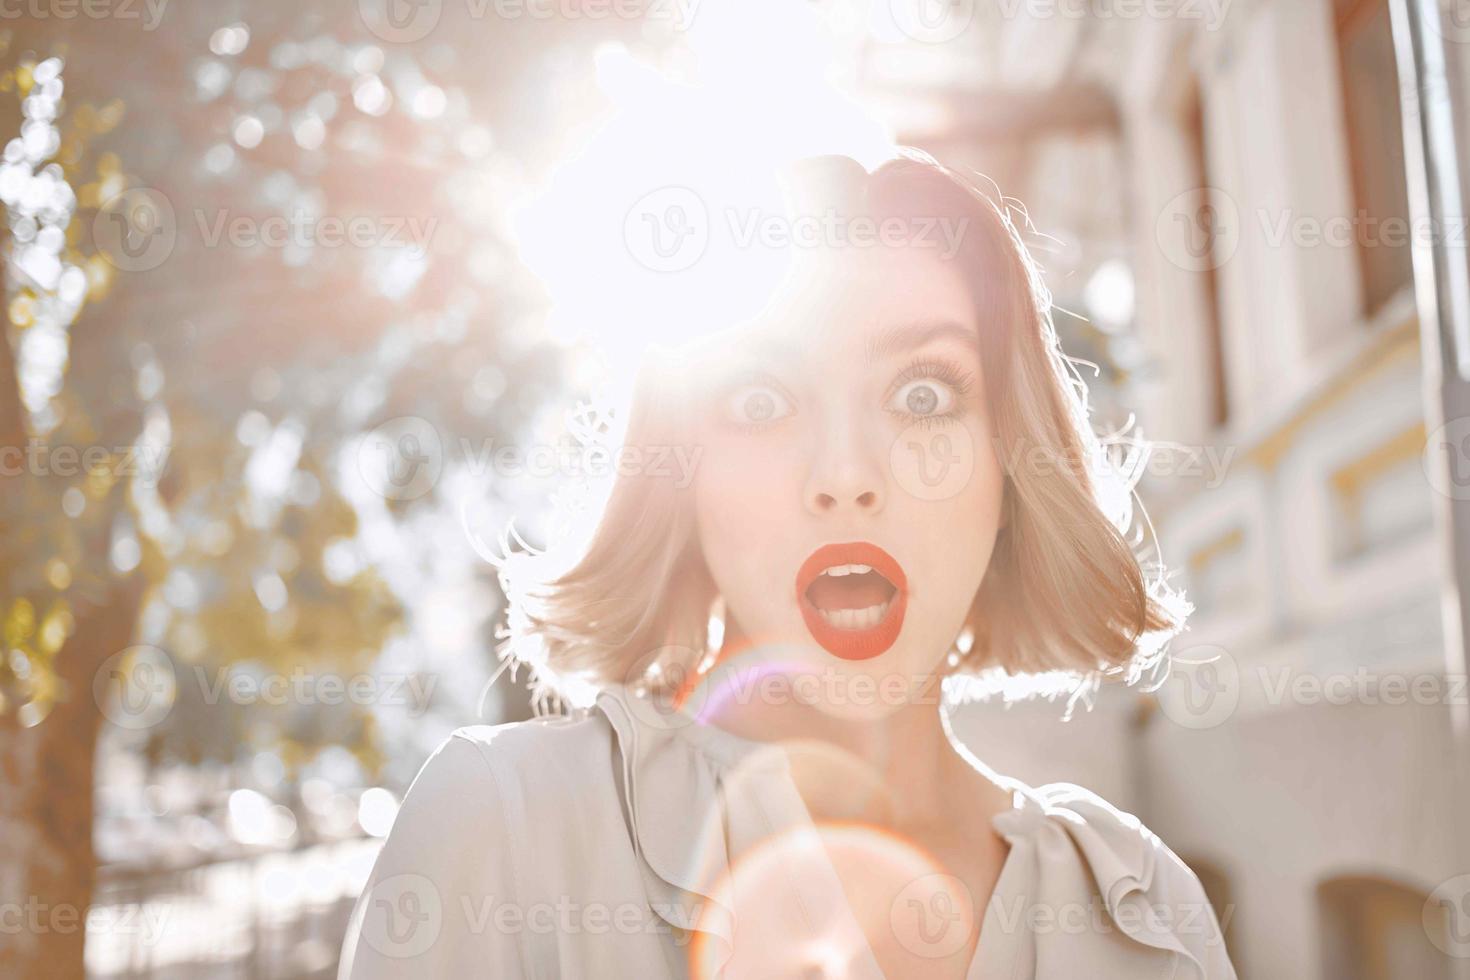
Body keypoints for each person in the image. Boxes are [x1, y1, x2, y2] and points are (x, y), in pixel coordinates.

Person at [338, 151, 1238, 979]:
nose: (845, 477)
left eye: (923, 395)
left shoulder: (1148, 914)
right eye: (760, 398)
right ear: (682, 477)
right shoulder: (504, 829)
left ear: (1009, 463)